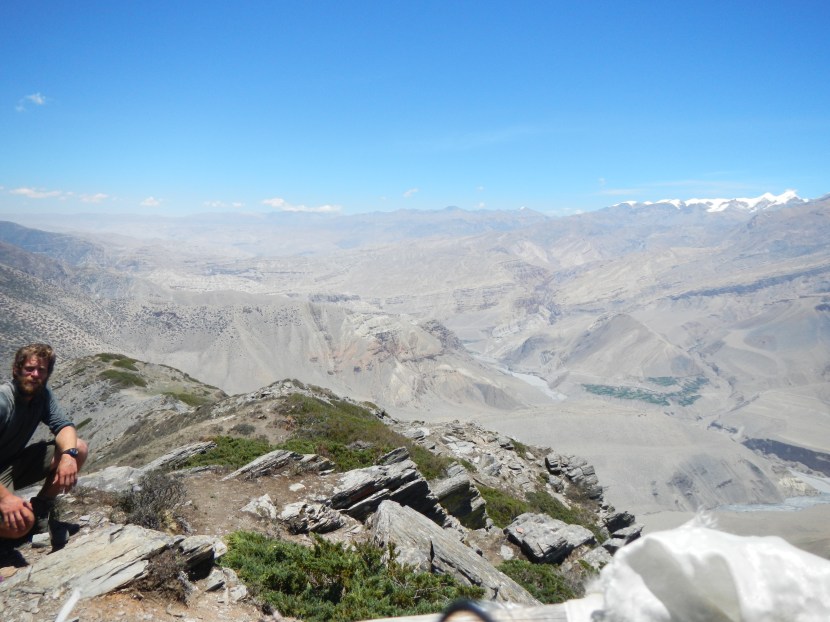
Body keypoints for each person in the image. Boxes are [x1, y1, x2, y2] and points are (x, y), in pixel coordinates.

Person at [0, 343, 88, 549]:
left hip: (10, 466)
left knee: (78, 448)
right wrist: (5, 498)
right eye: (29, 369)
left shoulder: (42, 395)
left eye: (41, 370)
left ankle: (41, 509)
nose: (35, 375)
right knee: (21, 524)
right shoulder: (4, 402)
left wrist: (68, 456)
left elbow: (64, 426)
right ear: (16, 370)